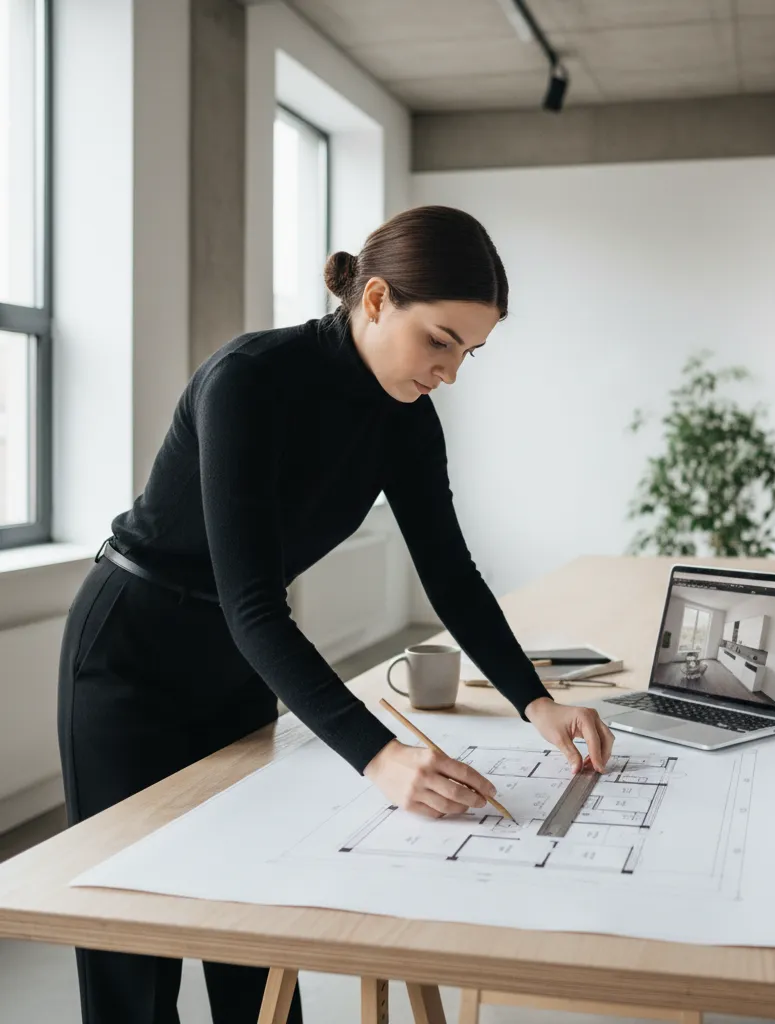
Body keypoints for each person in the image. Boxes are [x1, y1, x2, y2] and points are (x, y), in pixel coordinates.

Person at [56, 204, 615, 1024]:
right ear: (379, 299)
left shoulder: (409, 422)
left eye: (471, 352)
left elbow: (451, 576)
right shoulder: (248, 379)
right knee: (134, 953)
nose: (451, 372)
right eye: (441, 341)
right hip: (130, 656)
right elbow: (253, 601)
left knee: (252, 929)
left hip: (234, 663)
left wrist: (538, 700)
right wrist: (379, 756)